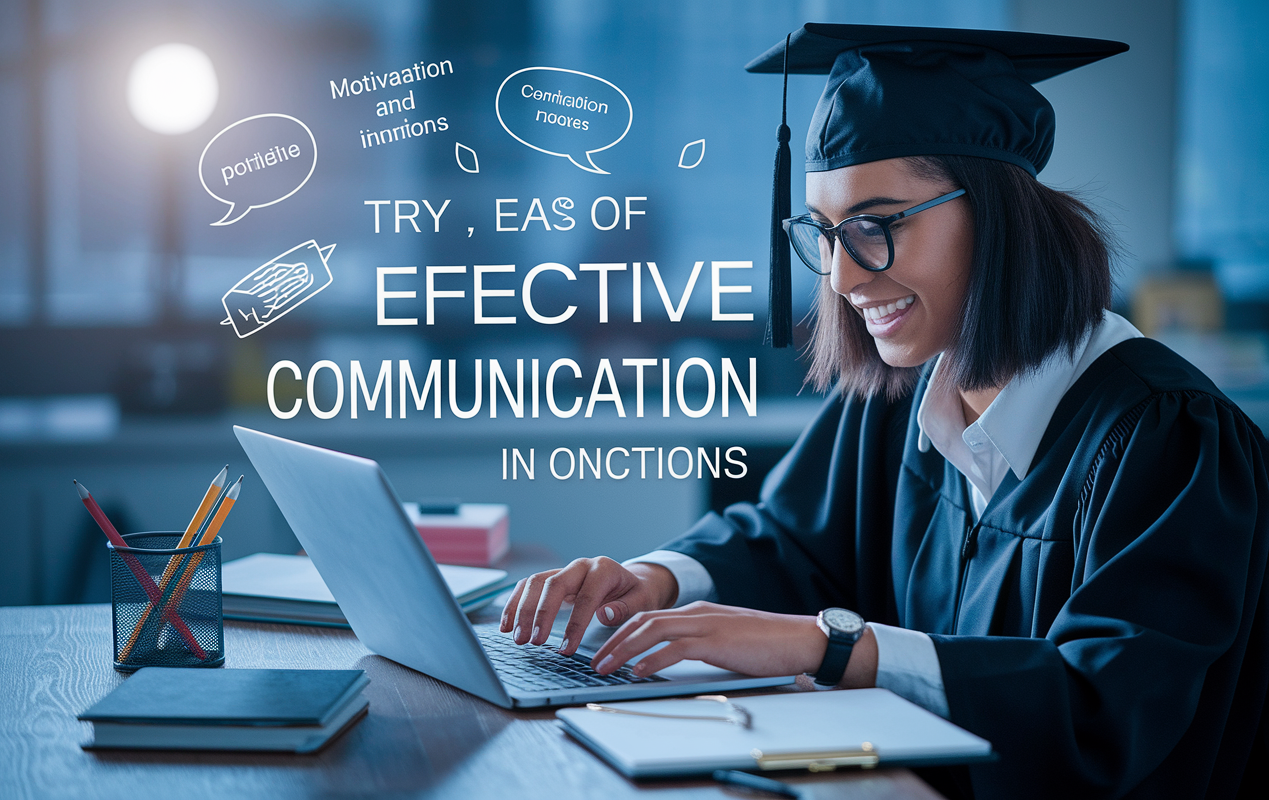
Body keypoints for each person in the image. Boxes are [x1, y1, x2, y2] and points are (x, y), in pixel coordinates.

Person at [500, 24, 1269, 799]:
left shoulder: (1167, 437)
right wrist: (654, 580)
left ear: (997, 212)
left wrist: (832, 648)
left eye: (875, 227)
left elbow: (1101, 707)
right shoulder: (899, 400)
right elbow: (791, 542)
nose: (840, 279)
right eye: (825, 235)